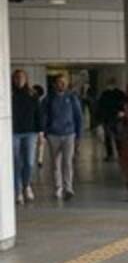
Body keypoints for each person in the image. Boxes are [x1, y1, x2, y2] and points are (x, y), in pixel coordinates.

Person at [43, 74, 83, 202]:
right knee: (55, 163)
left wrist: (79, 135)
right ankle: (58, 187)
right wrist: (45, 132)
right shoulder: (49, 99)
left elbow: (78, 117)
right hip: (53, 134)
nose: (62, 84)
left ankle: (68, 188)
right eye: (59, 82)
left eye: (64, 82)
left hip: (69, 134)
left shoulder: (72, 98)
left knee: (67, 162)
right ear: (55, 84)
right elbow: (44, 115)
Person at [11, 69, 42, 205]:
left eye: (22, 77)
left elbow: (38, 113)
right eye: (17, 78)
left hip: (30, 132)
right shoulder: (9, 94)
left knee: (29, 162)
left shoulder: (32, 94)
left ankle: (26, 185)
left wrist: (41, 131)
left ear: (26, 79)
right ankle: (18, 191)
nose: (19, 80)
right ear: (13, 79)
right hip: (14, 133)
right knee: (16, 163)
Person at [96, 79, 127, 161]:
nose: (110, 85)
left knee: (115, 138)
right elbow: (100, 107)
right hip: (111, 119)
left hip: (114, 119)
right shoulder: (114, 94)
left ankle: (115, 154)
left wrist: (123, 112)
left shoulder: (114, 94)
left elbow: (125, 104)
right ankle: (115, 154)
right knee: (111, 138)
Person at [32, 84, 45, 169]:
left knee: (39, 143)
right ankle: (40, 159)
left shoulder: (37, 102)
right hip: (39, 127)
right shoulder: (40, 102)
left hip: (38, 126)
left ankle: (39, 159)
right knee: (41, 144)